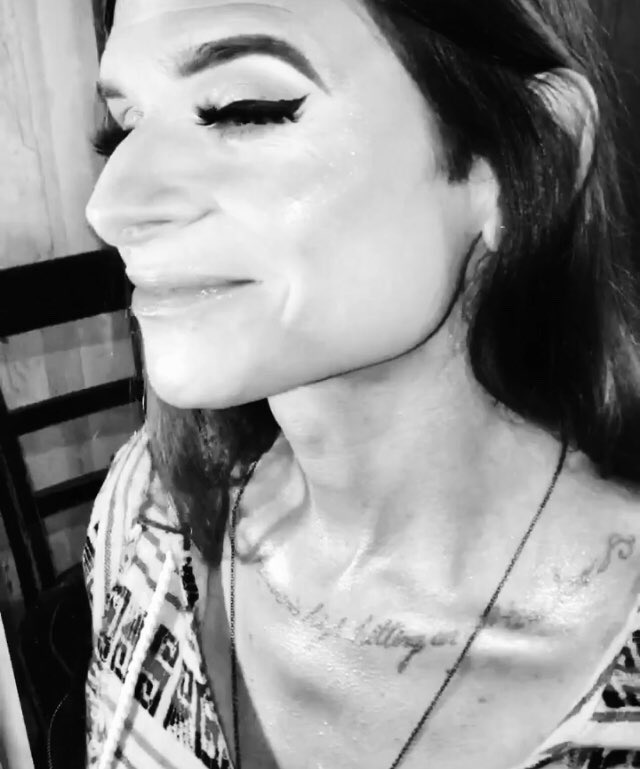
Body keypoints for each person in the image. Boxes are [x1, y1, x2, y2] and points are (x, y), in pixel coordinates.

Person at [82, 0, 640, 768]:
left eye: (244, 109)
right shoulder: (144, 508)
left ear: (523, 155)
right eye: (125, 127)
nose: (110, 206)